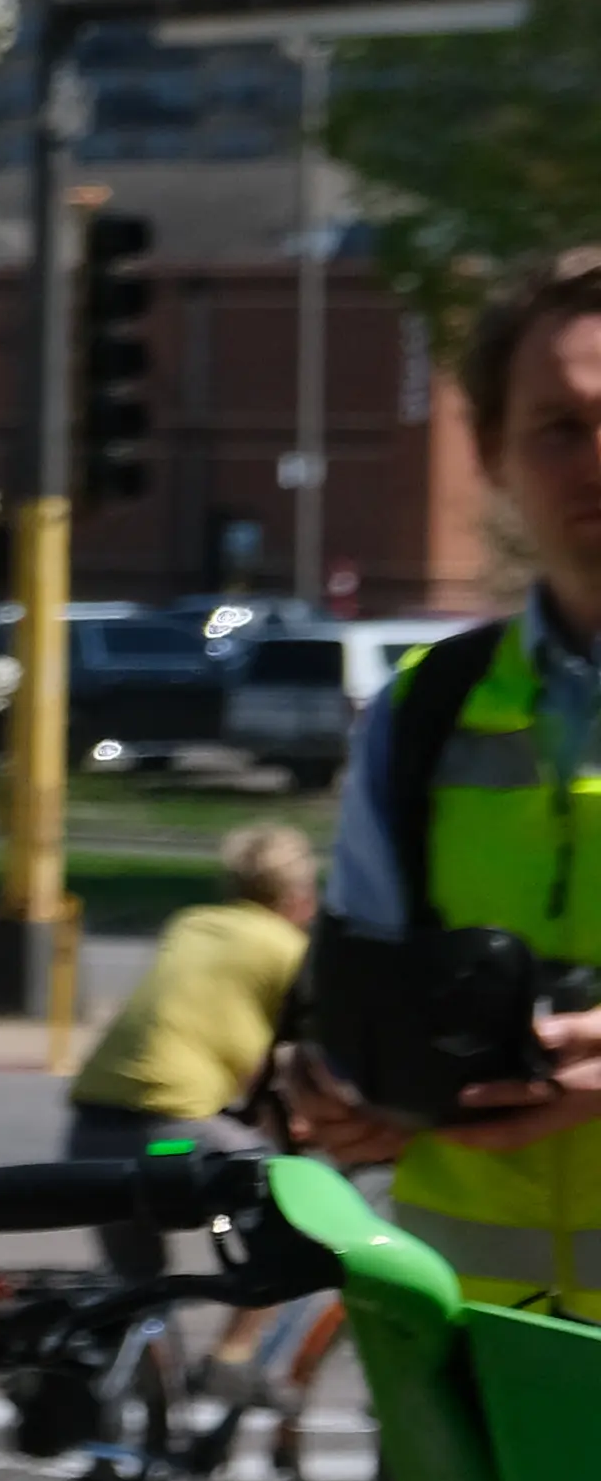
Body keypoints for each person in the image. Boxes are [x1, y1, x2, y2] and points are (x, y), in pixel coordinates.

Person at [275, 247, 601, 1317]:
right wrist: (337, 1087)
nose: (595, 458)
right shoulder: (427, 708)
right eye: (560, 426)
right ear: (492, 454)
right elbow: (355, 991)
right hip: (475, 1370)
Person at [70, 822, 319, 1144]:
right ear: (299, 897)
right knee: (271, 1185)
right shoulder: (289, 949)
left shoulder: (190, 924)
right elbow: (314, 1058)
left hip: (92, 1110)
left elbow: (220, 1035)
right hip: (172, 1115)